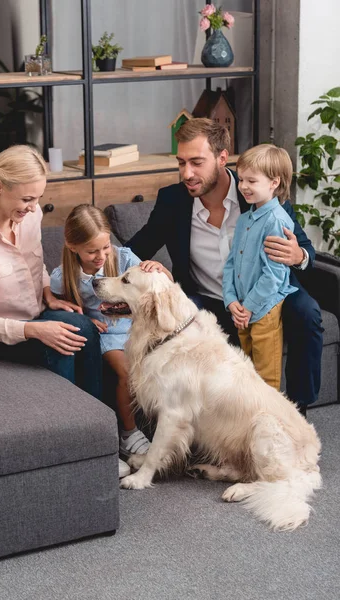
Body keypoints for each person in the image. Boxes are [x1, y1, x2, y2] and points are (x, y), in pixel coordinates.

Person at [126, 118, 323, 416]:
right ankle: (188, 421)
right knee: (177, 321)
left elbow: (307, 252)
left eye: (196, 162)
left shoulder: (258, 193)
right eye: (181, 163)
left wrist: (298, 256)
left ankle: (297, 410)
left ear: (222, 158)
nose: (186, 173)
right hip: (207, 299)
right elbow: (134, 250)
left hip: (268, 295)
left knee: (307, 313)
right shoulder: (173, 200)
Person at [0, 145, 102, 402]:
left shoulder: (31, 216)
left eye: (37, 198)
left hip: (36, 315)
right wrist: (35, 331)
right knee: (59, 345)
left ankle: (102, 420)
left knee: (82, 327)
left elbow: (36, 265)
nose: (33, 207)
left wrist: (48, 295)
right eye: (27, 199)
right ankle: (69, 426)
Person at [49, 204, 172, 476]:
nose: (101, 256)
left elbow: (162, 287)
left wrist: (161, 270)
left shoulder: (123, 258)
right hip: (106, 334)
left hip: (133, 327)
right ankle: (128, 433)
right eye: (92, 251)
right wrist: (83, 319)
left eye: (105, 247)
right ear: (73, 246)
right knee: (127, 370)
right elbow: (54, 303)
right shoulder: (64, 276)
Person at [222, 144, 299, 390]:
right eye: (241, 179)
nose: (243, 186)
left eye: (251, 181)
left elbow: (274, 276)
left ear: (274, 182)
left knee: (266, 378)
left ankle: (272, 422)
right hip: (242, 310)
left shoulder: (276, 221)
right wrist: (231, 300)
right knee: (248, 373)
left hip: (263, 309)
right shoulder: (245, 219)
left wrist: (247, 307)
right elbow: (231, 263)